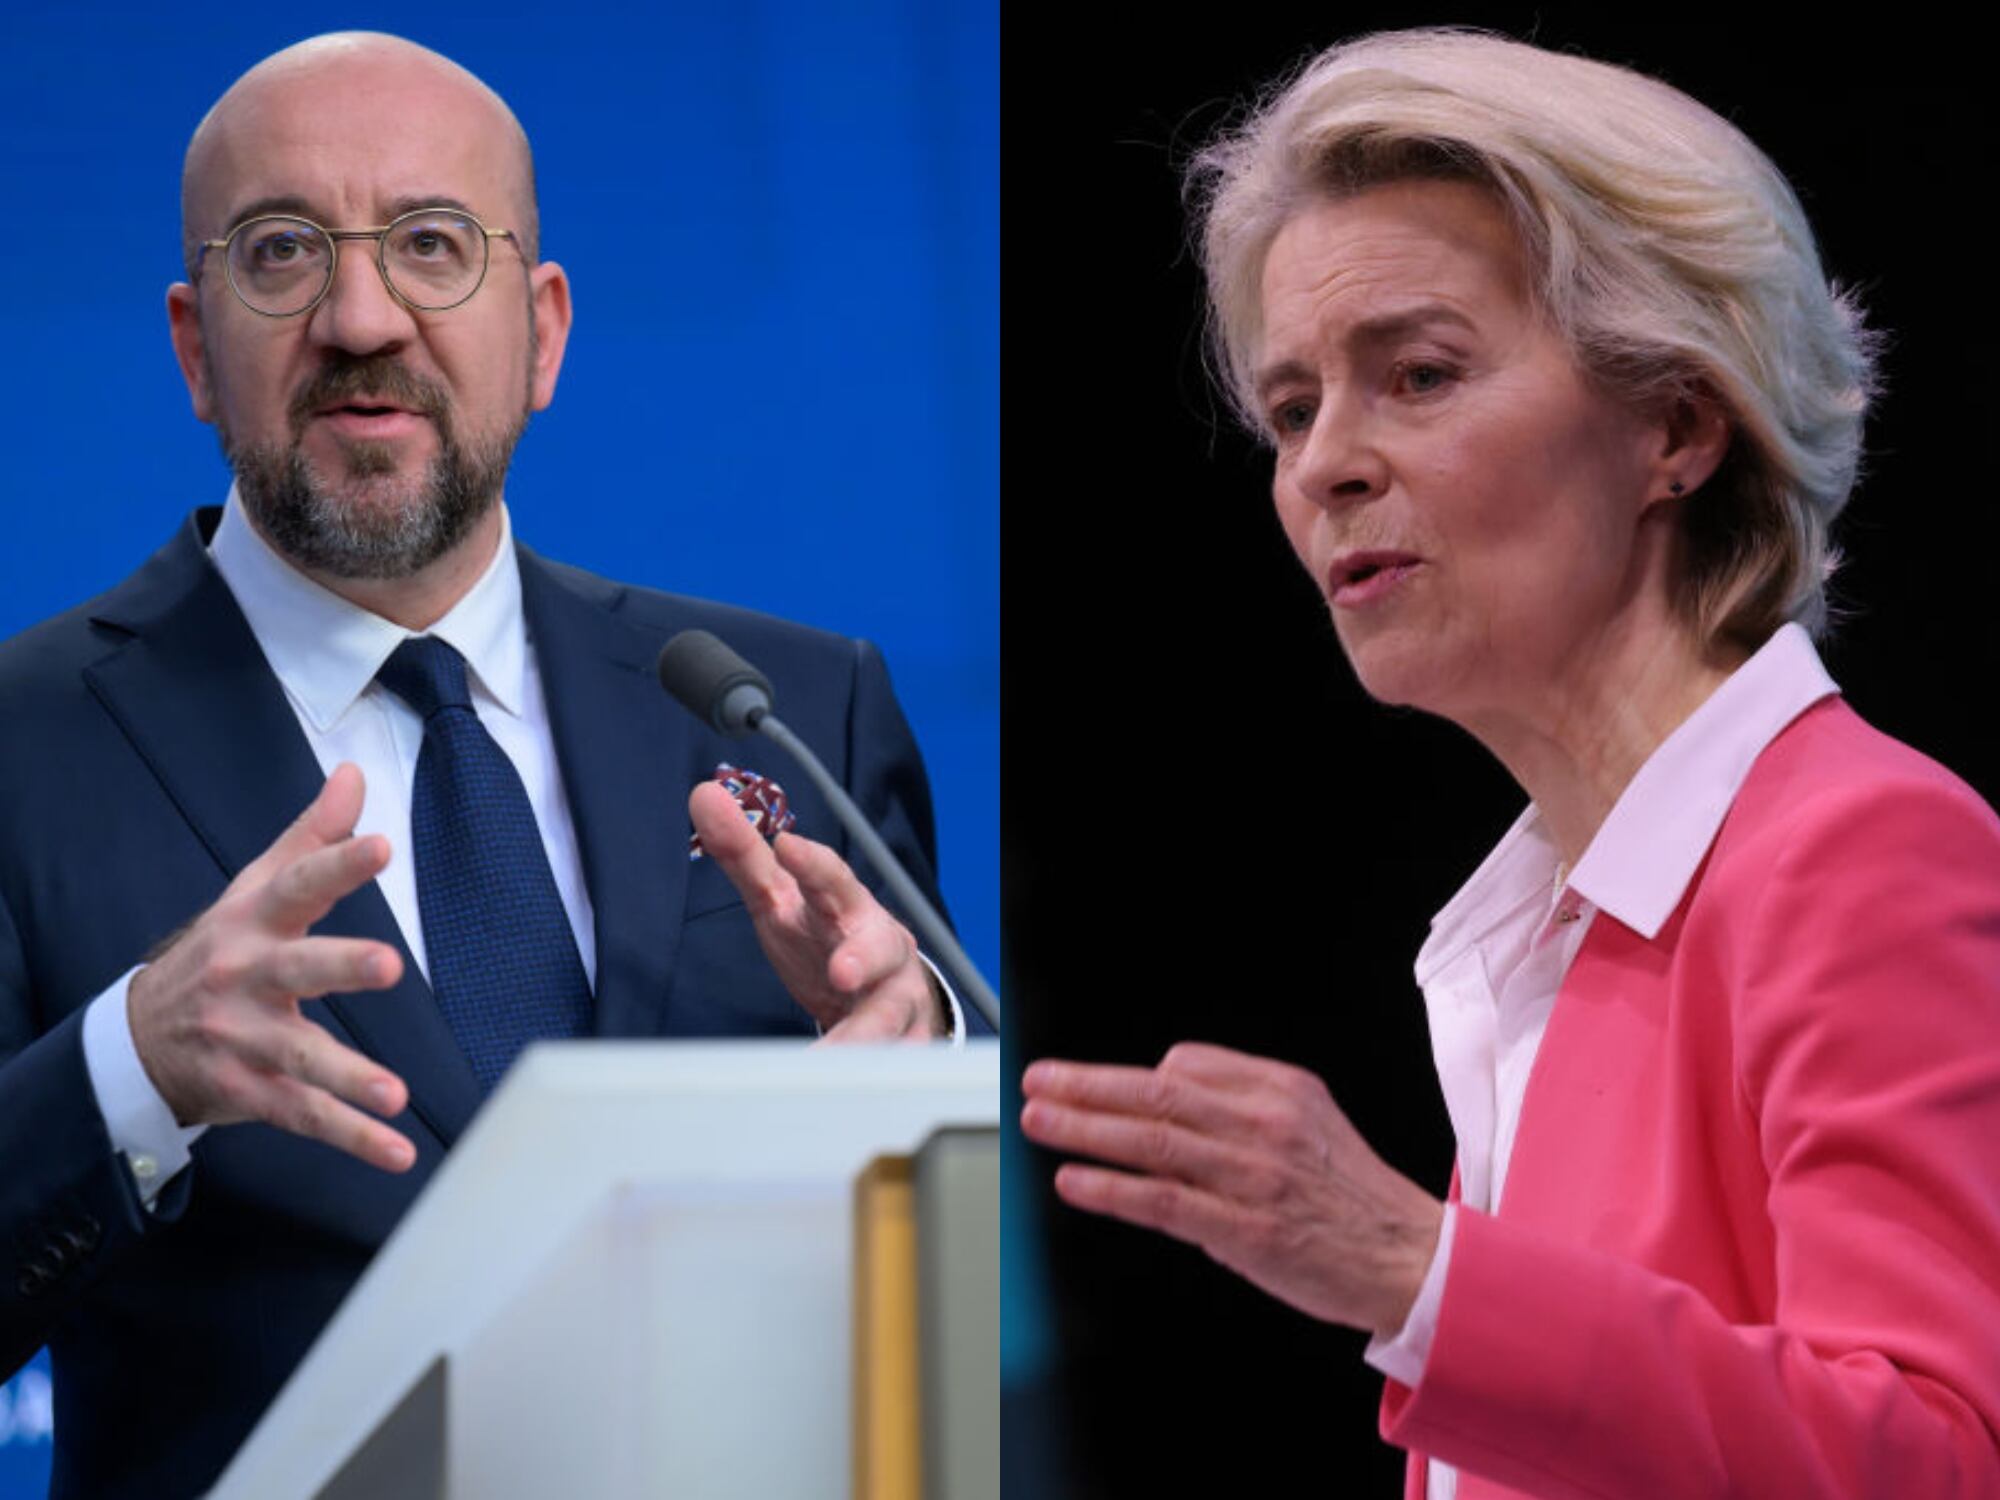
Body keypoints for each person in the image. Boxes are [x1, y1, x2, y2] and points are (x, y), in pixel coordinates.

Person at [0, 30, 984, 1499]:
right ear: (196, 348)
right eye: (281, 252)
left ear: (546, 331)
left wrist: (925, 1085)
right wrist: (129, 1069)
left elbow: (971, 1311)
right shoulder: (25, 740)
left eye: (431, 244)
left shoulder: (793, 706)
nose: (359, 316)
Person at [1020, 28, 2000, 1500]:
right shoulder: (1541, 933)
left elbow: (1930, 1458)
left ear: (1675, 420)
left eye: (1416, 375)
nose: (1323, 467)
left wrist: (1416, 1271)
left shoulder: (1860, 846)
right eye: (1294, 410)